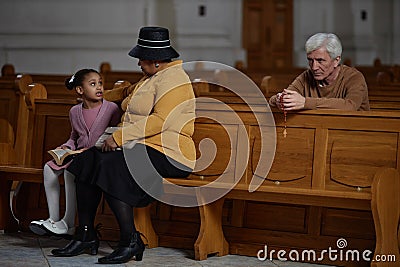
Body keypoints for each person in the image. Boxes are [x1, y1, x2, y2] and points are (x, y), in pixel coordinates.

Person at [50, 26, 196, 264]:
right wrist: (95, 94)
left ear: (155, 60)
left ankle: (130, 241)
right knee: (87, 159)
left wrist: (118, 138)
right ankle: (85, 234)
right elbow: (126, 92)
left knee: (111, 165)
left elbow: (160, 121)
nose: (138, 63)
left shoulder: (175, 81)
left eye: (141, 57)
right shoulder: (151, 78)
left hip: (170, 154)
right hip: (141, 147)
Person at [29, 69, 120, 236]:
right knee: (48, 168)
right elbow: (74, 137)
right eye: (93, 84)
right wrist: (66, 147)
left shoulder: (111, 109)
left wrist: (92, 149)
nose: (99, 87)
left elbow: (114, 134)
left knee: (70, 172)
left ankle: (68, 222)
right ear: (80, 90)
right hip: (78, 154)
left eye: (100, 83)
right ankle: (53, 219)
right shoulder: (75, 112)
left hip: (98, 157)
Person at [269, 33, 370, 111]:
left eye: (320, 60)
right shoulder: (307, 76)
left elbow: (350, 105)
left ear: (336, 60)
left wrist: (305, 102)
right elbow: (278, 98)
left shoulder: (354, 77)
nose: (314, 67)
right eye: (310, 60)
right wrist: (280, 99)